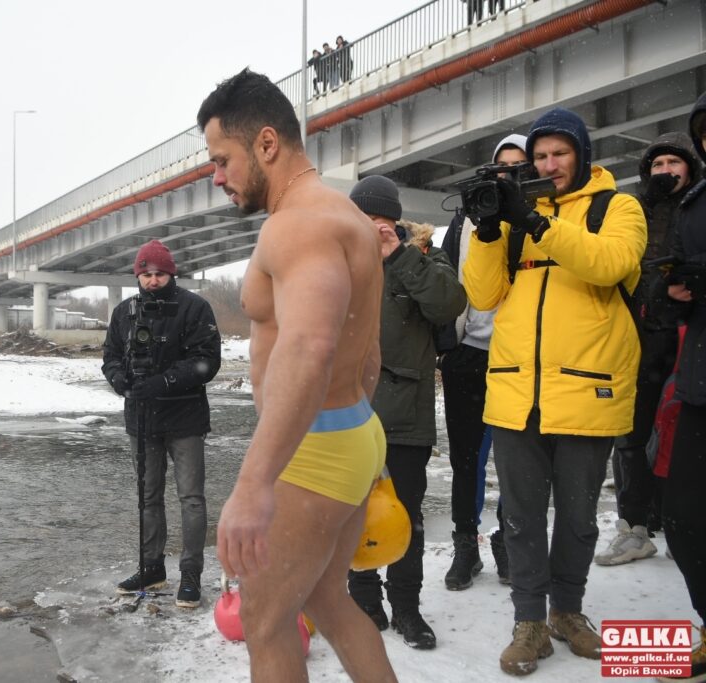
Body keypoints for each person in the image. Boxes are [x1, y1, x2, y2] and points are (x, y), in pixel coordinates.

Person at [198, 68, 397, 682]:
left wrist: (255, 483)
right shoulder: (347, 218)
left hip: (313, 447)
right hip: (350, 429)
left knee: (264, 623)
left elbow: (310, 346)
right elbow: (368, 351)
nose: (216, 176)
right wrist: (359, 442)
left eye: (222, 159)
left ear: (266, 143)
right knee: (329, 601)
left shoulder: (297, 225)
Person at [463, 107, 647, 676]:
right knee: (520, 517)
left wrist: (537, 223)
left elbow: (610, 263)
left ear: (582, 155)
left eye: (559, 154)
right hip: (517, 391)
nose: (548, 165)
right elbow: (483, 295)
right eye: (539, 156)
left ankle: (567, 610)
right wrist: (489, 233)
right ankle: (529, 624)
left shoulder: (617, 207)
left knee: (577, 516)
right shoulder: (516, 216)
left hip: (587, 391)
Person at [346, 175, 467, 650]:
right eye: (361, 220)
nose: (370, 229)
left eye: (379, 220)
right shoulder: (335, 259)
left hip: (405, 415)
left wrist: (397, 254)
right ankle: (363, 600)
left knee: (406, 517)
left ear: (395, 222)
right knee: (351, 515)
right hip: (348, 414)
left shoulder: (423, 254)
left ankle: (407, 607)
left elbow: (448, 303)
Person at [596, 131, 701, 568]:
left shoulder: (698, 210)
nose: (665, 171)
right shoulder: (633, 210)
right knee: (632, 434)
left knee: (685, 434)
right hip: (638, 337)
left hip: (690, 338)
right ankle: (634, 526)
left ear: (690, 169)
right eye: (657, 165)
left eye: (674, 163)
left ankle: (683, 525)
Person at [101, 239, 221, 608]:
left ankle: (191, 573)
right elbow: (110, 355)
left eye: (159, 274)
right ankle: (151, 567)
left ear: (172, 273)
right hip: (141, 420)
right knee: (148, 496)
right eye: (146, 274)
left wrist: (163, 381)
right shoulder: (124, 312)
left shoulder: (194, 308)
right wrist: (119, 380)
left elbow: (207, 361)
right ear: (138, 276)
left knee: (191, 498)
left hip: (185, 418)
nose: (152, 280)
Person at [440, 133, 529, 591]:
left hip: (519, 356)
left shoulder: (538, 217)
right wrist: (447, 345)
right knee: (466, 459)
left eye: (517, 167)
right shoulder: (466, 218)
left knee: (517, 459)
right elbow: (446, 277)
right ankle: (465, 544)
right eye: (500, 167)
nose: (506, 176)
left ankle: (507, 540)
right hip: (468, 354)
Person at [657, 91, 706, 681]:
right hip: (698, 381)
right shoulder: (692, 206)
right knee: (685, 517)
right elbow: (663, 296)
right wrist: (672, 293)